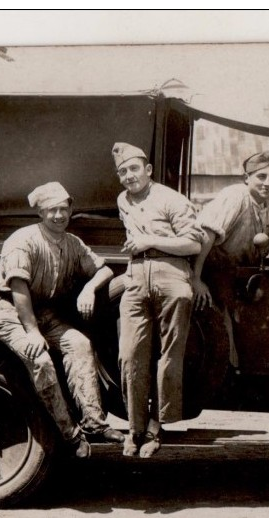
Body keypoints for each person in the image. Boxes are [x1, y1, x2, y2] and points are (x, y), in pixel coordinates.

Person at [0, 181, 125, 459]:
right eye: (52, 211)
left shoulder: (72, 243)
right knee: (41, 360)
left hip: (45, 312)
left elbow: (104, 270)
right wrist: (32, 332)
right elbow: (18, 290)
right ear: (40, 213)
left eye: (64, 209)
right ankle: (70, 435)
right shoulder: (22, 240)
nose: (59, 216)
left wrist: (89, 288)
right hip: (9, 312)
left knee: (80, 344)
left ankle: (94, 423)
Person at [113, 142, 206, 458]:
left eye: (134, 168)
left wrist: (150, 241)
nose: (129, 176)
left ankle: (155, 428)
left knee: (168, 355)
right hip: (136, 277)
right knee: (129, 355)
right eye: (123, 171)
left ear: (148, 170)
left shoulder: (171, 199)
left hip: (171, 275)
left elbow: (194, 243)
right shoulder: (122, 200)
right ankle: (133, 428)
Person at [192, 149, 269, 309]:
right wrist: (195, 279)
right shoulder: (234, 198)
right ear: (246, 178)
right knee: (224, 326)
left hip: (246, 274)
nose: (268, 183)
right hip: (215, 273)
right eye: (261, 176)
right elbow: (206, 235)